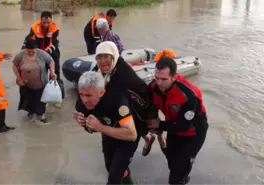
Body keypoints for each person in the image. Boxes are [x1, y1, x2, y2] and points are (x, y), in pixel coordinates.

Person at [76, 41, 159, 157]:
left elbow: (144, 94)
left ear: (114, 56)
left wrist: (152, 120)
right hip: (113, 110)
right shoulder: (98, 70)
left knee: (136, 128)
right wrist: (81, 112)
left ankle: (147, 138)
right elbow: (86, 90)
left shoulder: (125, 75)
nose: (102, 61)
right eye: (99, 58)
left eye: (106, 57)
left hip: (131, 107)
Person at [148, 56, 209, 185]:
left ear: (174, 77)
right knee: (171, 161)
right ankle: (183, 177)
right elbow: (150, 106)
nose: (159, 83)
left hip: (193, 133)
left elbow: (183, 126)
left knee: (177, 174)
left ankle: (181, 177)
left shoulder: (189, 95)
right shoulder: (153, 87)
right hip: (173, 128)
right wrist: (153, 120)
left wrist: (160, 125)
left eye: (164, 79)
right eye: (157, 77)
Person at [74, 71, 137, 185]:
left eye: (88, 95)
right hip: (108, 136)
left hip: (127, 137)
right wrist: (84, 124)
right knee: (111, 169)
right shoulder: (82, 102)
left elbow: (132, 135)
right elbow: (91, 129)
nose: (84, 100)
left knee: (114, 178)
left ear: (101, 92)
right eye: (81, 94)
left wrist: (100, 127)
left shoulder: (117, 100)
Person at [22, 11, 64, 108]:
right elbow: (29, 40)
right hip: (40, 54)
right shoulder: (34, 27)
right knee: (41, 76)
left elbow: (54, 44)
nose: (45, 25)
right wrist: (24, 51)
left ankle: (59, 98)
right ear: (40, 20)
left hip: (52, 54)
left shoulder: (55, 29)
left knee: (55, 74)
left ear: (51, 21)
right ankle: (44, 98)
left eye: (48, 23)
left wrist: (43, 53)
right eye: (43, 22)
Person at [12, 39, 57, 122]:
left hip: (40, 84)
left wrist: (52, 72)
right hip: (26, 85)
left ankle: (41, 116)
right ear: (25, 49)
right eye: (29, 51)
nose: (31, 53)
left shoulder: (41, 53)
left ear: (36, 49)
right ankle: (31, 113)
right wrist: (19, 78)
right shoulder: (20, 55)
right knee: (29, 101)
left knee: (41, 102)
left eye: (33, 51)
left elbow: (51, 61)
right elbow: (14, 65)